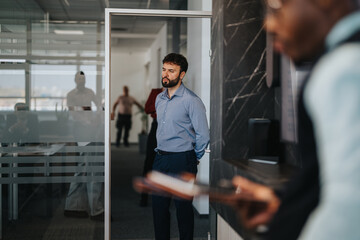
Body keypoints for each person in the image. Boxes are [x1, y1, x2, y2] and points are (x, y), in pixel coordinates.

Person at [231, 0, 360, 239]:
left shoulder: (343, 69)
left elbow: (349, 211)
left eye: (276, 6)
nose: (268, 24)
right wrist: (286, 205)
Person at [152, 53, 210, 240]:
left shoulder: (191, 101)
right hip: (160, 158)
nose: (166, 74)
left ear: (182, 74)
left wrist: (194, 157)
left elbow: (203, 134)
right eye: (164, 69)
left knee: (183, 210)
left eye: (171, 71)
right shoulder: (159, 99)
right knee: (159, 209)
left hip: (182, 160)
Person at [64, 71, 104, 220]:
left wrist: (97, 119)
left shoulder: (90, 92)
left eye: (83, 78)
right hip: (81, 131)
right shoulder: (71, 95)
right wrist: (87, 122)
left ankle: (73, 206)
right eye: (79, 79)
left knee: (83, 166)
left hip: (91, 130)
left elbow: (99, 106)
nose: (82, 81)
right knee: (89, 166)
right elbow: (74, 113)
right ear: (75, 80)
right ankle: (96, 209)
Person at [139, 87, 163, 207]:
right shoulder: (156, 92)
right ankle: (144, 195)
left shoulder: (177, 94)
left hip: (170, 129)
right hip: (156, 127)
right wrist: (161, 105)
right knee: (149, 161)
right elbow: (147, 109)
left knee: (166, 162)